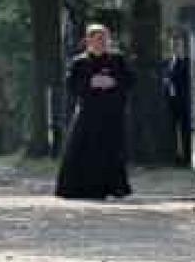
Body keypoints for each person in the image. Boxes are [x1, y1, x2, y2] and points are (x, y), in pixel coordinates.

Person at [55, 23, 135, 200]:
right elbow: (71, 85)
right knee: (81, 148)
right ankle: (78, 188)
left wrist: (113, 82)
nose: (101, 42)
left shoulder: (117, 59)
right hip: (87, 112)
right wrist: (90, 83)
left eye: (104, 39)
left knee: (111, 150)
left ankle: (113, 187)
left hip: (111, 113)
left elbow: (129, 80)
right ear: (88, 40)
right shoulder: (79, 62)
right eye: (97, 39)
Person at [162, 31, 192, 165]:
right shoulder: (166, 63)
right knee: (171, 130)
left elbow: (188, 82)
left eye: (177, 44)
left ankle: (187, 158)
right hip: (170, 101)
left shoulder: (187, 62)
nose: (174, 47)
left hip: (183, 101)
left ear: (182, 46)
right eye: (173, 44)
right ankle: (174, 157)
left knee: (185, 130)